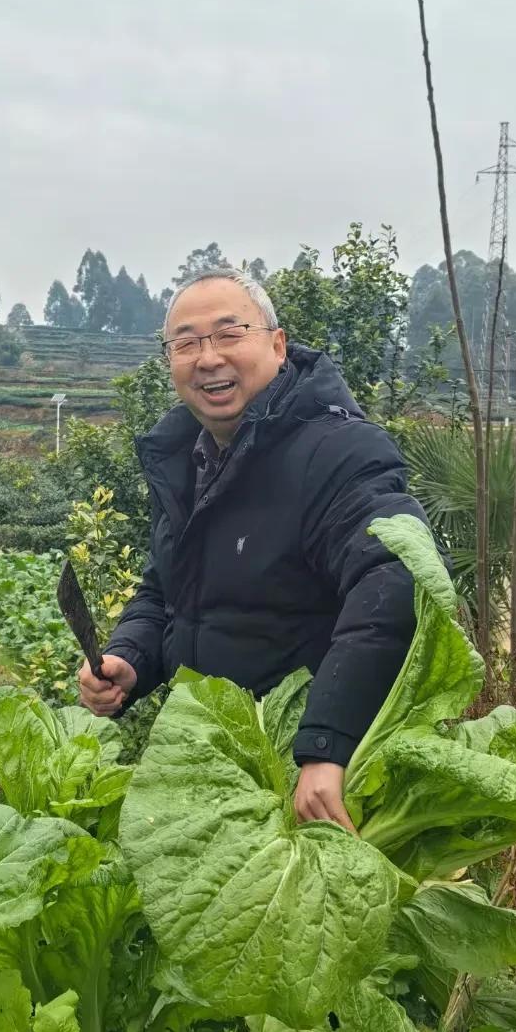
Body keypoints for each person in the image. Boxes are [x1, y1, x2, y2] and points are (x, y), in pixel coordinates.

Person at [78, 266, 431, 830]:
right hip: (214, 759)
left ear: (277, 343)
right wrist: (130, 659)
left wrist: (326, 745)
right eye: (186, 343)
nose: (208, 357)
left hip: (299, 775)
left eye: (228, 333)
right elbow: (165, 591)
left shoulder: (338, 452)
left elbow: (394, 580)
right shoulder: (186, 457)